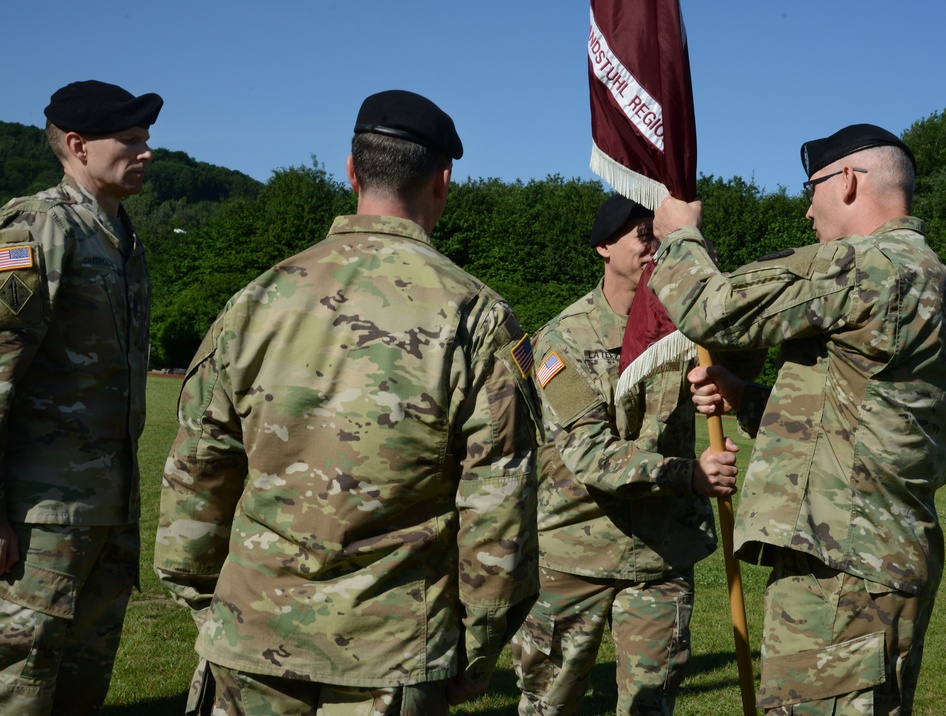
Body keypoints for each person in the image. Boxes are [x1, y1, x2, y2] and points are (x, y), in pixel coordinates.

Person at [154, 89, 541, 716]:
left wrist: (209, 602)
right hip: (390, 655)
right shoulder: (476, 316)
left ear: (351, 170)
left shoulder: (256, 300)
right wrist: (480, 643)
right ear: (443, 180)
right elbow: (499, 506)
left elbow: (197, 471)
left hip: (250, 638)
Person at [649, 124, 946, 715]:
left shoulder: (862, 266)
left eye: (813, 187)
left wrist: (679, 235)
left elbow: (712, 311)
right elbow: (868, 415)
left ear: (848, 180)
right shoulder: (944, 285)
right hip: (882, 556)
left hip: (842, 572)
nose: (806, 210)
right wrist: (747, 397)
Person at [511, 194, 755, 716]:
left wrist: (723, 380)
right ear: (603, 246)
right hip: (575, 556)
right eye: (642, 234)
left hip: (659, 556)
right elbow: (589, 452)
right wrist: (690, 475)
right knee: (549, 704)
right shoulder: (560, 340)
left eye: (661, 233)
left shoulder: (687, 327)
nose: (654, 245)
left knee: (650, 707)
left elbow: (747, 341)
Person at [0, 80, 161, 713]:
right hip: (39, 513)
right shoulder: (36, 229)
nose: (147, 153)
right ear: (76, 145)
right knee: (20, 679)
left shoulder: (119, 234)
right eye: (130, 140)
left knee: (83, 679)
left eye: (147, 140)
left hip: (106, 506)